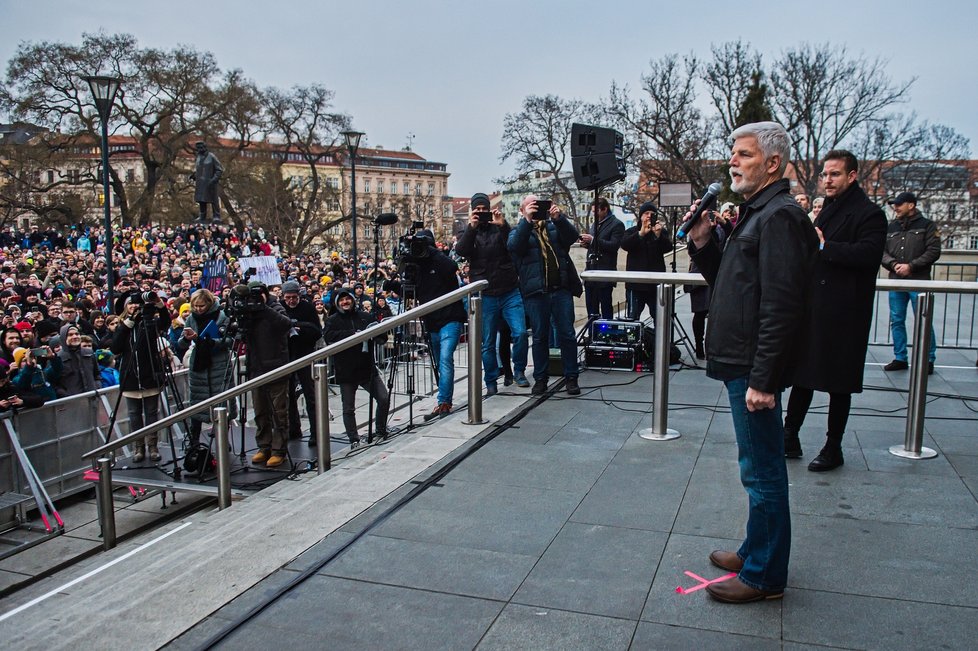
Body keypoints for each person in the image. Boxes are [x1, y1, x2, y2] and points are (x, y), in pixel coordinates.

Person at [686, 121, 819, 603]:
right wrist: (703, 242)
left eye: (743, 154)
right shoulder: (756, 212)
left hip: (752, 366)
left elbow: (782, 303)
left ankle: (764, 576)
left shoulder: (779, 216)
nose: (733, 162)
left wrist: (763, 379)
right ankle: (754, 549)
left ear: (773, 163)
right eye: (733, 154)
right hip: (741, 359)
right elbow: (730, 283)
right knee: (755, 466)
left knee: (762, 470)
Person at [782, 150, 886, 471]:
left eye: (834, 174)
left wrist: (825, 246)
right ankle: (789, 436)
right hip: (815, 306)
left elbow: (868, 254)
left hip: (846, 311)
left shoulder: (870, 214)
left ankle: (833, 446)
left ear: (852, 176)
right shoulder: (826, 209)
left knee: (839, 382)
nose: (827, 180)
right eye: (825, 174)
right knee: (803, 374)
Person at [454, 192, 529, 397]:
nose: (481, 213)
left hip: (509, 289)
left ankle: (519, 370)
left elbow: (514, 246)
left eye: (483, 209)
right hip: (485, 294)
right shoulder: (468, 231)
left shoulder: (500, 227)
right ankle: (491, 380)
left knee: (520, 333)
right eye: (477, 210)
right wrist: (471, 227)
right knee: (487, 342)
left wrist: (502, 225)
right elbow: (461, 250)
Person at [508, 195, 583, 396]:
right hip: (535, 293)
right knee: (540, 337)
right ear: (523, 210)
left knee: (567, 334)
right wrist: (527, 221)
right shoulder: (517, 231)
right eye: (531, 205)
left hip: (560, 289)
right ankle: (541, 379)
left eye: (538, 205)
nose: (536, 209)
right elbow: (515, 248)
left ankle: (571, 377)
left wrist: (559, 218)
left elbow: (572, 237)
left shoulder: (553, 227)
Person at [880, 191, 942, 374]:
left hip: (919, 281)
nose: (895, 208)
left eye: (899, 204)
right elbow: (881, 251)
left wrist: (911, 266)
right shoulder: (891, 227)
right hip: (896, 281)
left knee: (923, 320)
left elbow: (933, 251)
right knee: (897, 319)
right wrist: (893, 264)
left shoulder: (927, 225)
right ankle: (900, 357)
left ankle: (928, 358)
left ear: (911, 205)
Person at [322, 288, 389, 446]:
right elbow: (329, 337)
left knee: (383, 399)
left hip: (367, 368)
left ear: (353, 300)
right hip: (346, 371)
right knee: (348, 409)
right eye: (341, 300)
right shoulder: (332, 320)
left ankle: (380, 430)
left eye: (348, 299)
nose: (345, 302)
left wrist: (375, 333)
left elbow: (382, 338)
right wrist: (354, 334)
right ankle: (354, 440)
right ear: (337, 303)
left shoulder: (366, 317)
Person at [111, 293, 171, 463]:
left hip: (150, 375)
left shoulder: (150, 323)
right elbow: (115, 348)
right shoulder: (122, 326)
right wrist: (128, 323)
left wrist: (159, 305)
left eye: (138, 304)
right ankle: (138, 447)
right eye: (131, 304)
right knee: (134, 414)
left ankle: (153, 446)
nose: (134, 307)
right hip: (130, 378)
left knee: (152, 412)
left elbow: (165, 323)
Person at [413, 231, 467, 418]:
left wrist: (432, 251)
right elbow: (411, 287)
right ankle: (444, 397)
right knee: (438, 362)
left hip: (450, 318)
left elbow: (452, 266)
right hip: (431, 322)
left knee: (445, 358)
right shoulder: (417, 266)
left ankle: (444, 401)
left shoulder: (441, 261)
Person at [175, 289, 236, 450]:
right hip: (199, 366)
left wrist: (208, 341)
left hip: (219, 363)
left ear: (209, 303)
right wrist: (187, 339)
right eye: (195, 306)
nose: (198, 309)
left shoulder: (222, 317)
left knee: (222, 403)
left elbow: (229, 340)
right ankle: (194, 440)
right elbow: (180, 343)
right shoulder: (191, 319)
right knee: (197, 403)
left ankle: (222, 438)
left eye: (201, 305)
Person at [240, 282, 292, 468]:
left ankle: (279, 450)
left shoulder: (275, 307)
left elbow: (285, 324)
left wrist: (263, 309)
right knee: (260, 411)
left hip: (276, 366)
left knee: (278, 411)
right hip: (256, 367)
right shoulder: (248, 311)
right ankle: (264, 446)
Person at [280, 280, 323, 445]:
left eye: (294, 297)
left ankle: (315, 431)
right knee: (289, 396)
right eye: (288, 297)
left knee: (310, 395)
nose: (291, 300)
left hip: (305, 355)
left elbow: (317, 331)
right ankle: (293, 428)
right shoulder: (280, 308)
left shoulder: (307, 308)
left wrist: (299, 328)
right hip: (287, 356)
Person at [620, 201, 673, 323]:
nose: (649, 216)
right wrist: (641, 234)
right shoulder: (632, 231)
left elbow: (668, 248)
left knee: (659, 318)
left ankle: (657, 341)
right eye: (646, 213)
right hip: (636, 284)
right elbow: (625, 244)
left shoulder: (661, 232)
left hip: (655, 283)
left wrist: (658, 236)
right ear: (641, 216)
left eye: (652, 214)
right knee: (632, 317)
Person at [580, 197, 625, 320]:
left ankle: (607, 333)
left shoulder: (617, 224)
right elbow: (596, 245)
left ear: (605, 209)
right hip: (591, 272)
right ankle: (592, 333)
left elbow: (614, 245)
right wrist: (587, 244)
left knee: (605, 306)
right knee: (591, 308)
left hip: (605, 272)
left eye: (596, 212)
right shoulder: (595, 224)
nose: (594, 214)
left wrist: (593, 240)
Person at [50, 323, 101, 399]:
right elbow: (54, 383)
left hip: (92, 399)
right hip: (72, 403)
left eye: (77, 334)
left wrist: (96, 387)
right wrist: (65, 395)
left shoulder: (89, 353)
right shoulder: (57, 358)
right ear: (64, 338)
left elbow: (97, 374)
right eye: (70, 335)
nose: (75, 337)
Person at [189, 141, 224, 223]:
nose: (200, 149)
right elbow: (199, 169)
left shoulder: (211, 156)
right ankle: (202, 215)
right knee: (201, 200)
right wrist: (194, 175)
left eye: (201, 147)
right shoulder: (198, 157)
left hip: (211, 182)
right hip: (200, 183)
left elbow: (219, 170)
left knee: (214, 199)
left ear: (205, 147)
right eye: (198, 148)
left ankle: (216, 216)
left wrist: (214, 179)